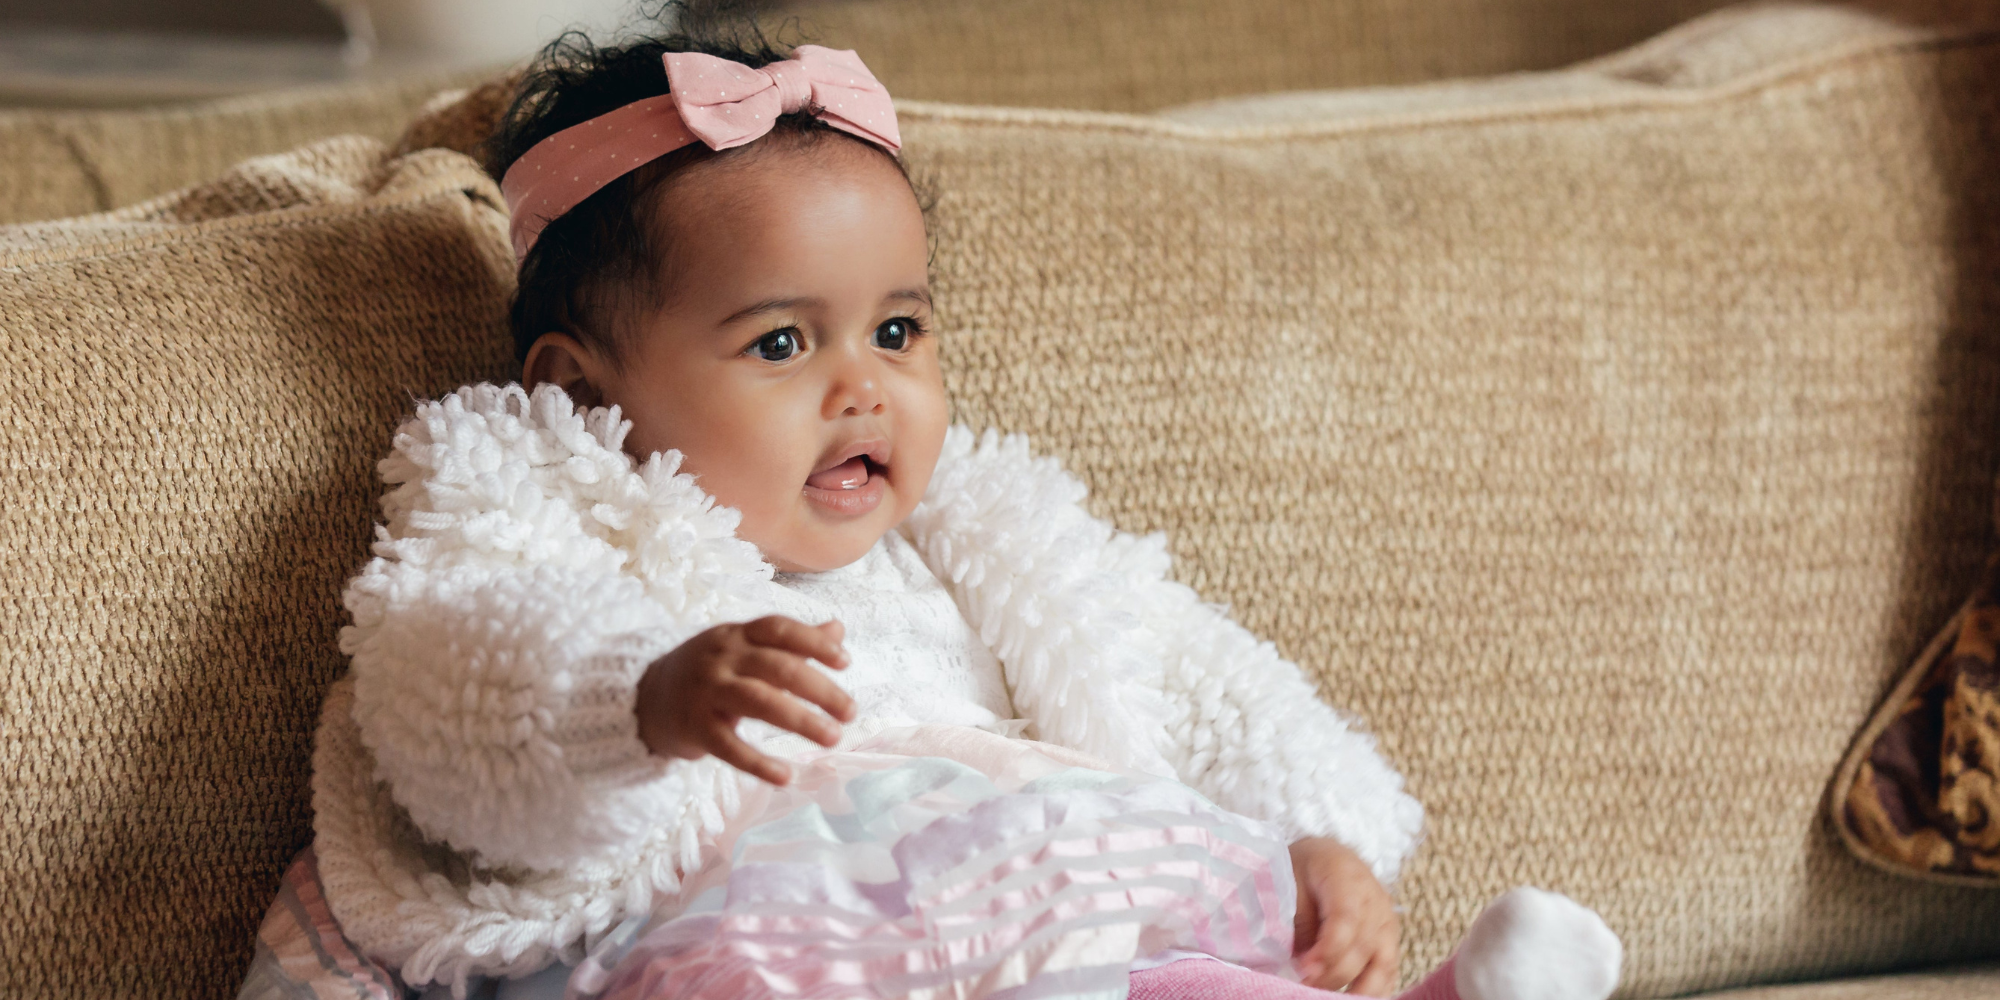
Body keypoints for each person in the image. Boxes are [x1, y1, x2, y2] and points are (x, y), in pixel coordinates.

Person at [306, 16, 1621, 1000]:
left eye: (896, 330)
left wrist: (1317, 835)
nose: (862, 388)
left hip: (1044, 916)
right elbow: (449, 675)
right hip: (760, 932)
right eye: (780, 343)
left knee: (1170, 970)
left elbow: (1197, 675)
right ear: (580, 389)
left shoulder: (983, 535)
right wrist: (638, 699)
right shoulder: (549, 506)